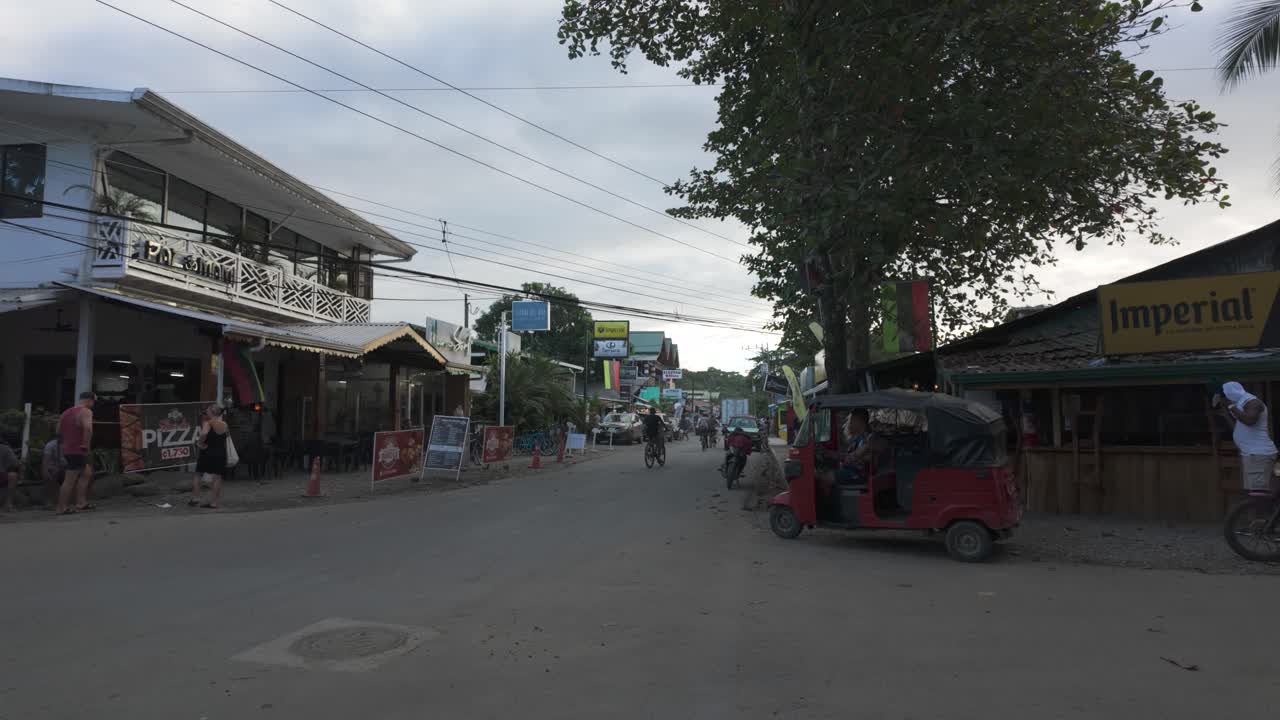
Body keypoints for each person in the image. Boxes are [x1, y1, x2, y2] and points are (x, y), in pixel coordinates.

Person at [1216, 382, 1278, 492]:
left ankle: (1262, 509)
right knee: (1255, 491)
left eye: (1226, 395)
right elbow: (1241, 427)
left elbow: (1249, 421)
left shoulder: (1253, 403)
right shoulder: (1241, 403)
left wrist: (1231, 406)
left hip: (1258, 454)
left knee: (1258, 492)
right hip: (1253, 454)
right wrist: (1226, 415)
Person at [56, 391, 95, 515]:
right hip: (77, 449)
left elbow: (58, 430)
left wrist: (65, 444)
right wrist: (85, 445)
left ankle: (81, 502)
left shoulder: (66, 412)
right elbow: (88, 428)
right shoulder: (86, 411)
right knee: (70, 479)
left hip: (68, 449)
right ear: (90, 400)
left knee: (87, 472)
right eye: (93, 402)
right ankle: (62, 507)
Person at [190, 405, 230, 509]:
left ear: (212, 413)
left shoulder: (208, 423)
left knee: (198, 474)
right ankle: (215, 503)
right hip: (221, 453)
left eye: (207, 411)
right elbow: (226, 438)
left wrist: (199, 443)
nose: (206, 412)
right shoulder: (224, 424)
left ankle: (195, 498)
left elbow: (204, 434)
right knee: (217, 477)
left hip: (208, 452)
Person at [41, 435, 65, 509]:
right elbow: (45, 462)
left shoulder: (72, 443)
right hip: (54, 467)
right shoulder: (50, 445)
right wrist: (45, 472)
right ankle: (49, 502)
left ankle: (82, 500)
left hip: (68, 468)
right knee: (53, 473)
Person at [0, 433, 20, 512]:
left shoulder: (5, 449)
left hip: (2, 474)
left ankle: (8, 504)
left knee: (13, 475)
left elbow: (15, 464)